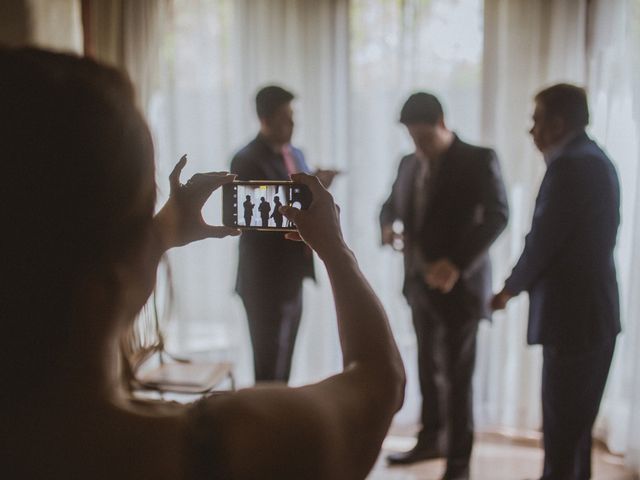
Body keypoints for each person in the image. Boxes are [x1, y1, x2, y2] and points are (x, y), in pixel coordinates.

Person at [1, 47, 404, 480]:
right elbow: (380, 382)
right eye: (145, 213)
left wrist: (158, 230)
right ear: (117, 265)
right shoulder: (235, 446)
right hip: (263, 281)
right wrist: (336, 249)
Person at [492, 83, 620, 480]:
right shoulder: (593, 158)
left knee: (563, 431)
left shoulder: (571, 165)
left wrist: (507, 290)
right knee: (574, 431)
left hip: (574, 319)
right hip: (592, 315)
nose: (531, 130)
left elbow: (543, 241)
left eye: (537, 120)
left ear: (558, 123)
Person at [381, 92, 509, 480]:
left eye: (423, 138)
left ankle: (458, 463)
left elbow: (498, 216)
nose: (417, 147)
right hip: (418, 285)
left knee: (458, 377)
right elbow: (390, 204)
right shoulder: (407, 162)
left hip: (460, 289)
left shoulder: (478, 158)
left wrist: (456, 265)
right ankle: (429, 440)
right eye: (411, 138)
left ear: (442, 123)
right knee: (425, 367)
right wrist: (386, 226)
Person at [230, 85, 337, 383]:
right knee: (267, 365)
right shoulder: (245, 160)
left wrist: (319, 184)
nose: (292, 124)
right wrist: (306, 194)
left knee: (286, 359)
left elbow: (299, 198)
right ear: (264, 119)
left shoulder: (297, 154)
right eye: (284, 117)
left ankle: (280, 424)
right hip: (264, 279)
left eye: (293, 116)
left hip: (294, 274)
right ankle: (266, 427)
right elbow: (257, 217)